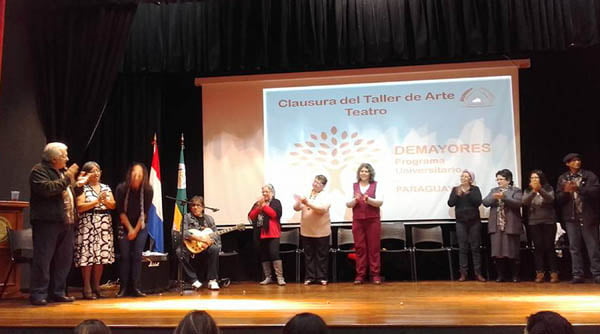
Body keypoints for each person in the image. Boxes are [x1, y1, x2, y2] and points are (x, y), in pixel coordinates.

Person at [29, 142, 88, 306]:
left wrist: (79, 185)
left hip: (66, 222)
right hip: (47, 223)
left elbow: (71, 191)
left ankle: (58, 291)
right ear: (54, 158)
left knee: (64, 260)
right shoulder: (39, 171)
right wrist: (68, 177)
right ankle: (39, 293)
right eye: (64, 156)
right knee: (43, 259)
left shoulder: (62, 171)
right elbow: (49, 189)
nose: (67, 158)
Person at [556, 153, 600, 284]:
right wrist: (566, 192)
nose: (577, 162)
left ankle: (597, 273)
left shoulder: (589, 175)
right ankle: (577, 274)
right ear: (568, 164)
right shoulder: (563, 178)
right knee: (574, 247)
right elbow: (558, 199)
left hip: (588, 216)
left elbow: (596, 191)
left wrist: (579, 188)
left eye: (578, 160)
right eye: (574, 161)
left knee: (593, 246)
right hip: (571, 217)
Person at [75, 161, 116, 299]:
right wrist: (97, 201)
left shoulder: (105, 187)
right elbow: (80, 207)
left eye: (98, 170)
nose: (97, 173)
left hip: (103, 223)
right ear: (86, 174)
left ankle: (96, 286)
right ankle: (86, 287)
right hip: (88, 223)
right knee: (88, 257)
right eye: (93, 171)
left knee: (100, 257)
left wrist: (104, 201)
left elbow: (113, 205)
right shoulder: (82, 187)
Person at [114, 163, 153, 297]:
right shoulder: (121, 188)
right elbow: (120, 211)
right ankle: (123, 288)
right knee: (124, 257)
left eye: (140, 175)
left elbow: (145, 213)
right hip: (124, 225)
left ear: (144, 177)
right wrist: (129, 229)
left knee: (137, 256)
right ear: (130, 174)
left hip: (140, 226)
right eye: (134, 174)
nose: (136, 177)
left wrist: (135, 231)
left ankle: (136, 287)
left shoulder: (148, 190)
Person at [346, 163, 384, 284]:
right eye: (361, 171)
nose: (363, 173)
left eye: (366, 171)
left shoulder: (376, 185)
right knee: (360, 248)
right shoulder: (354, 186)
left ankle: (375, 275)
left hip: (373, 220)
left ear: (370, 173)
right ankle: (360, 275)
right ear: (359, 173)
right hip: (358, 220)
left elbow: (380, 202)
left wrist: (369, 200)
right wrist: (355, 200)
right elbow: (348, 203)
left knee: (374, 248)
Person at [482, 169, 523, 282]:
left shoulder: (516, 190)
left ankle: (515, 275)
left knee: (512, 251)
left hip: (510, 225)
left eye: (501, 179)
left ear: (508, 180)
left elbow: (519, 203)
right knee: (497, 252)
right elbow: (485, 202)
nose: (498, 181)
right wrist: (494, 197)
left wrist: (504, 197)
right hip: (497, 226)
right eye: (497, 179)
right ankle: (500, 275)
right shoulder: (494, 190)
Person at [176, 196, 221, 290]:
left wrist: (210, 242)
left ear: (203, 207)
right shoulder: (186, 218)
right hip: (190, 246)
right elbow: (184, 233)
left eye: (198, 205)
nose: (195, 207)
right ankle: (194, 280)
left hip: (205, 246)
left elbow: (215, 235)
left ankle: (212, 280)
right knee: (179, 252)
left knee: (215, 249)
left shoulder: (209, 219)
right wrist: (201, 239)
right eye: (193, 205)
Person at [447, 170, 485, 282]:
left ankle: (478, 273)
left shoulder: (475, 189)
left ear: (470, 179)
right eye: (462, 176)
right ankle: (463, 274)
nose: (463, 178)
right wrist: (457, 195)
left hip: (474, 222)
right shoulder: (456, 189)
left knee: (475, 248)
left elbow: (478, 202)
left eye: (466, 176)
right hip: (460, 222)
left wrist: (468, 192)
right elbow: (450, 203)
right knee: (462, 248)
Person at [294, 175, 331, 285]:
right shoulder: (307, 193)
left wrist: (307, 203)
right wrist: (298, 201)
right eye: (314, 181)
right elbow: (296, 208)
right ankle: (309, 277)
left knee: (321, 256)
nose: (315, 184)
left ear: (323, 186)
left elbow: (322, 209)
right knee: (308, 255)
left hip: (321, 231)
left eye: (318, 183)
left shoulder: (326, 195)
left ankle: (322, 277)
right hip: (307, 230)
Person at [522, 170, 559, 283]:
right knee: (538, 248)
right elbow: (524, 201)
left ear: (541, 179)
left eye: (536, 178)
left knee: (549, 247)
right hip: (534, 222)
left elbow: (550, 199)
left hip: (548, 221)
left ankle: (554, 273)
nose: (534, 180)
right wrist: (534, 191)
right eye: (532, 178)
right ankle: (540, 273)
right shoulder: (528, 190)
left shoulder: (548, 188)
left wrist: (540, 190)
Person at [248, 184, 285, 285]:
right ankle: (268, 277)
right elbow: (251, 216)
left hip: (272, 232)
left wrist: (264, 206)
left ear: (272, 193)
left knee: (274, 253)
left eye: (266, 192)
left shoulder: (276, 202)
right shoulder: (258, 204)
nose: (264, 194)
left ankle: (280, 277)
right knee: (264, 255)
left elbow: (274, 214)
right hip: (260, 233)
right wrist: (259, 207)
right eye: (263, 192)